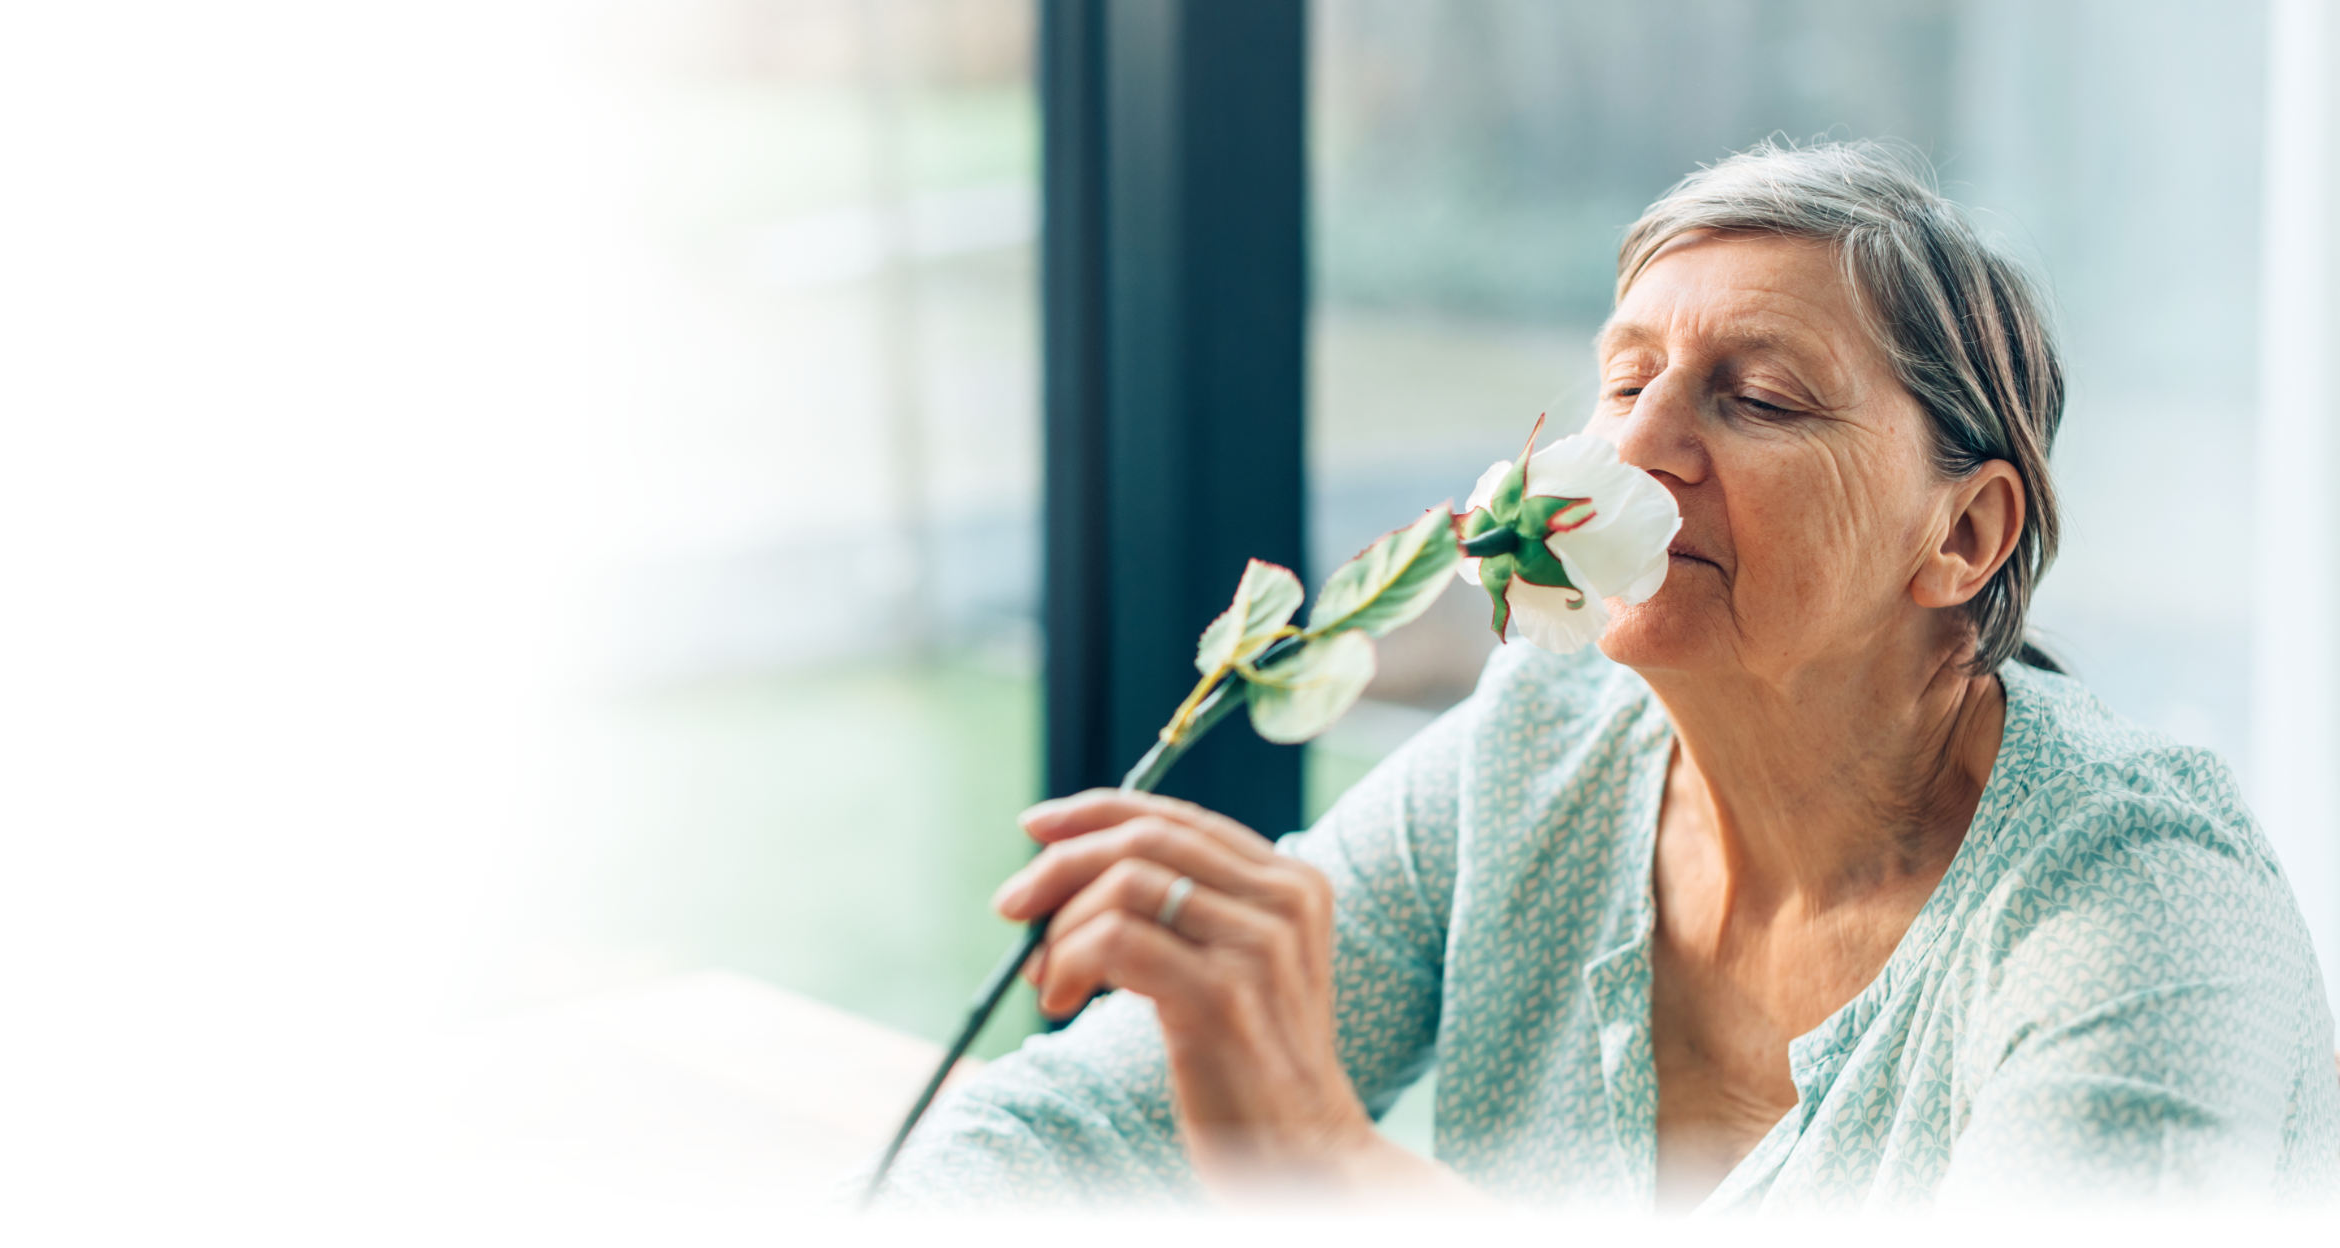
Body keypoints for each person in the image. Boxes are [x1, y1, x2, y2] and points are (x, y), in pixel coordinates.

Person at [874, 141, 2339, 1213]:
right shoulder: (1544, 747)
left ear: (1963, 534)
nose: (1633, 452)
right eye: (1626, 381)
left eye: (1758, 398)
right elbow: (1068, 1130)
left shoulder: (2143, 911)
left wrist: (1327, 1166)